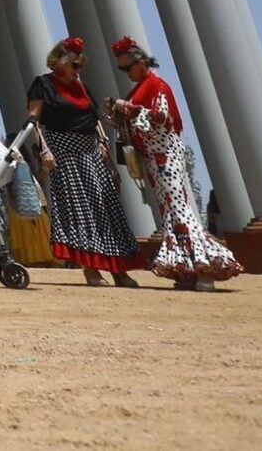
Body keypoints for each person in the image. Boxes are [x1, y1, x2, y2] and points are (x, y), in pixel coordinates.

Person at [108, 38, 240, 289]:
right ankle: (187, 269)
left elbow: (163, 118)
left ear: (142, 62)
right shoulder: (141, 89)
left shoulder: (156, 86)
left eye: (129, 67)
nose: (127, 73)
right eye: (122, 69)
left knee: (179, 210)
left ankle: (203, 267)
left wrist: (131, 109)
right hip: (153, 158)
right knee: (170, 211)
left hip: (165, 155)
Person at [29, 37, 140, 287]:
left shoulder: (81, 86)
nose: (78, 70)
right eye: (74, 65)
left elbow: (94, 117)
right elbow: (34, 120)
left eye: (80, 66)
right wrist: (43, 150)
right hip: (64, 153)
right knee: (79, 211)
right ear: (59, 62)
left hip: (91, 151)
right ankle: (91, 269)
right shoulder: (43, 84)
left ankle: (119, 270)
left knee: (107, 208)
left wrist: (104, 145)